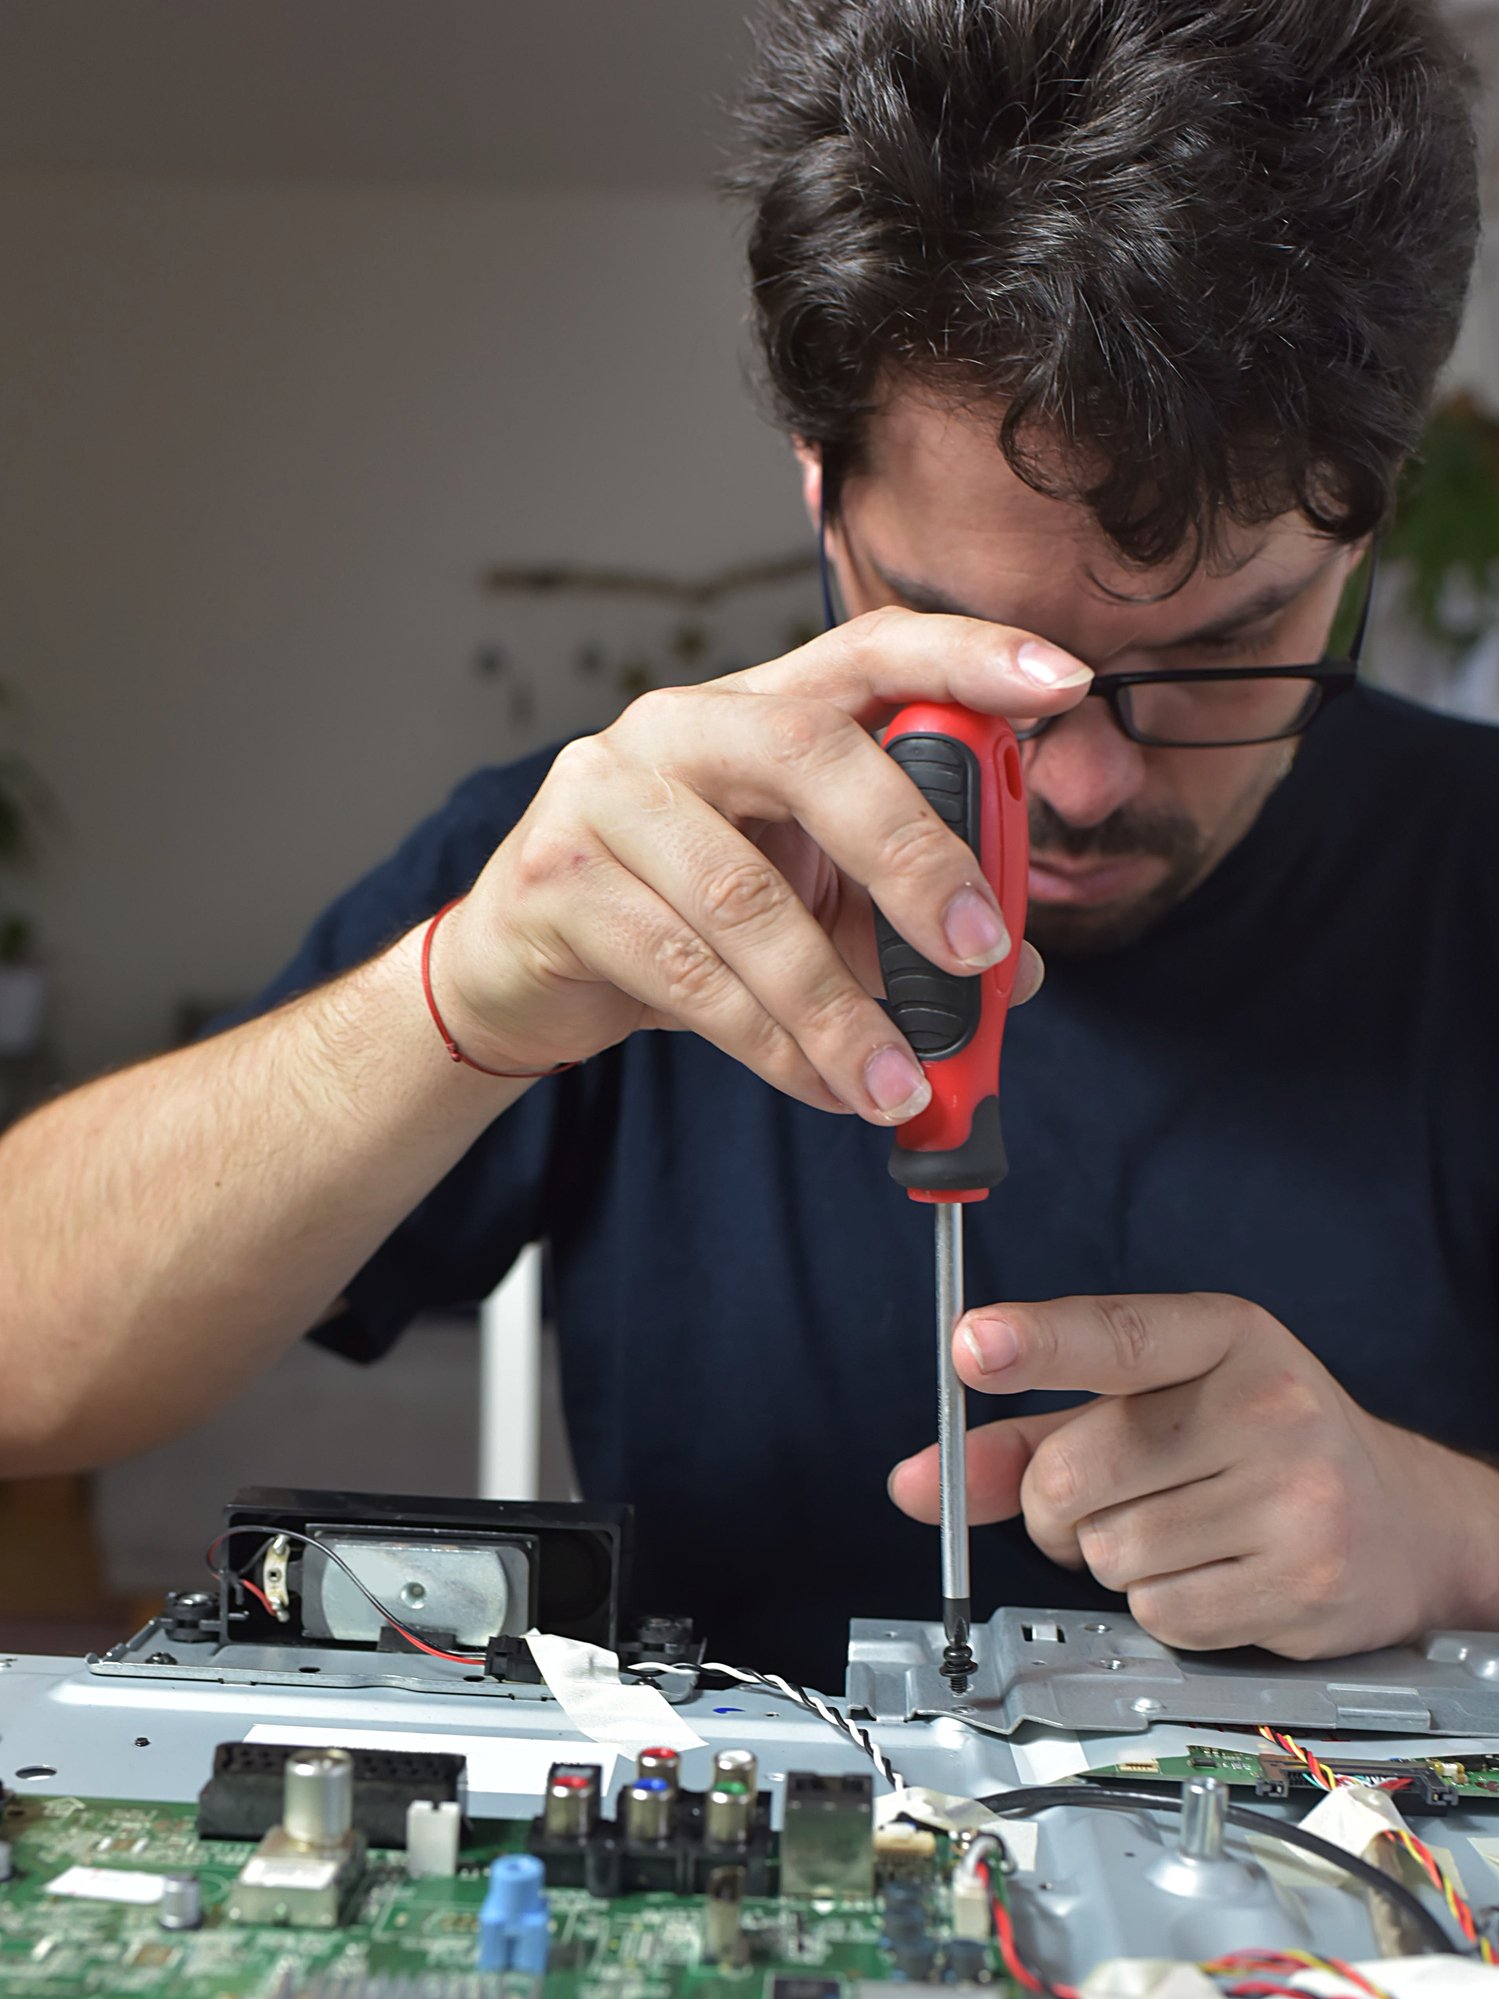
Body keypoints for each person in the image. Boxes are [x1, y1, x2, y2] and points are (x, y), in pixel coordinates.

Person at [1, 0, 1495, 1688]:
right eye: (962, 648)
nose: (1072, 786)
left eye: (1222, 649)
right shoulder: (595, 869)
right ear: (817, 487)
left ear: (1364, 525)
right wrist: (457, 1008)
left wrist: (1450, 1532)